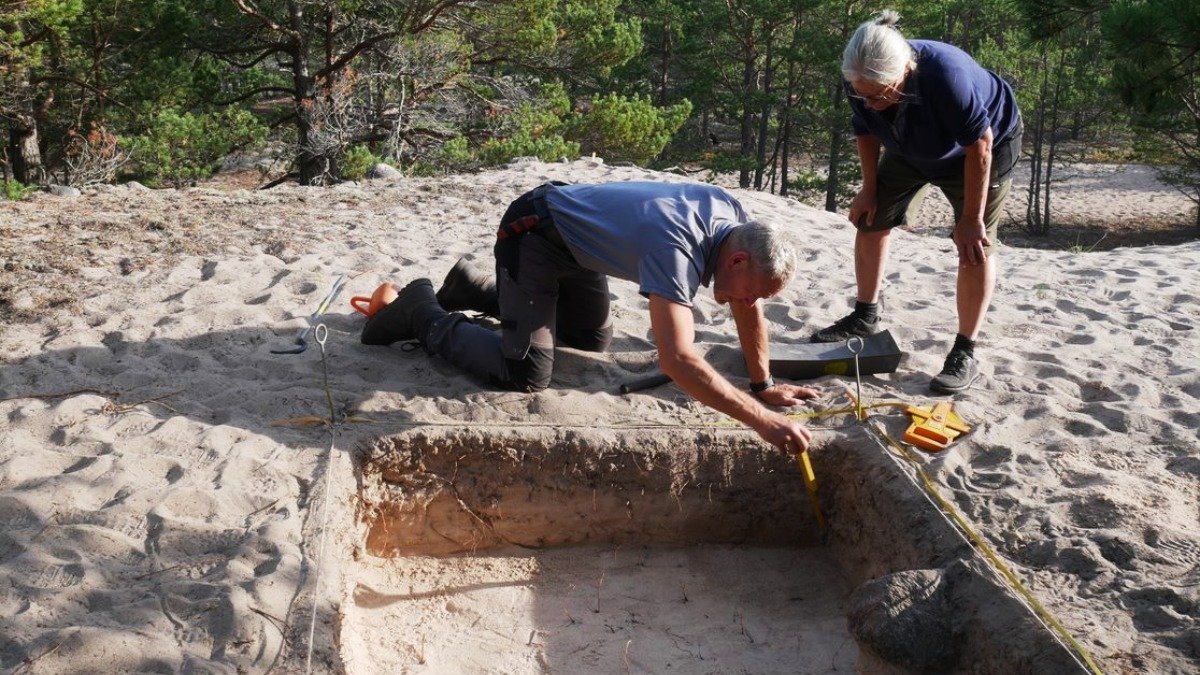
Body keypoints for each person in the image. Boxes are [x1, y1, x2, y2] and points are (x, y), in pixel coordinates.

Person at [361, 180, 816, 453]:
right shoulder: (676, 252)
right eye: (751, 290)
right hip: (533, 232)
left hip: (579, 246)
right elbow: (678, 359)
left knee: (588, 338)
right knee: (526, 371)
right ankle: (421, 306)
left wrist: (763, 386)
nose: (746, 301)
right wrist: (763, 421)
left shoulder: (732, 218)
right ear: (736, 262)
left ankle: (471, 289)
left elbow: (747, 304)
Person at [812, 10, 1022, 394]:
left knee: (974, 246)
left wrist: (972, 218)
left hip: (979, 149)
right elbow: (866, 129)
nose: (868, 101)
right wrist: (870, 188)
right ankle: (865, 317)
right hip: (910, 144)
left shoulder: (946, 77)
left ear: (905, 70)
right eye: (861, 92)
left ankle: (964, 351)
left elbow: (981, 144)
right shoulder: (860, 79)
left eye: (878, 93)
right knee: (870, 220)